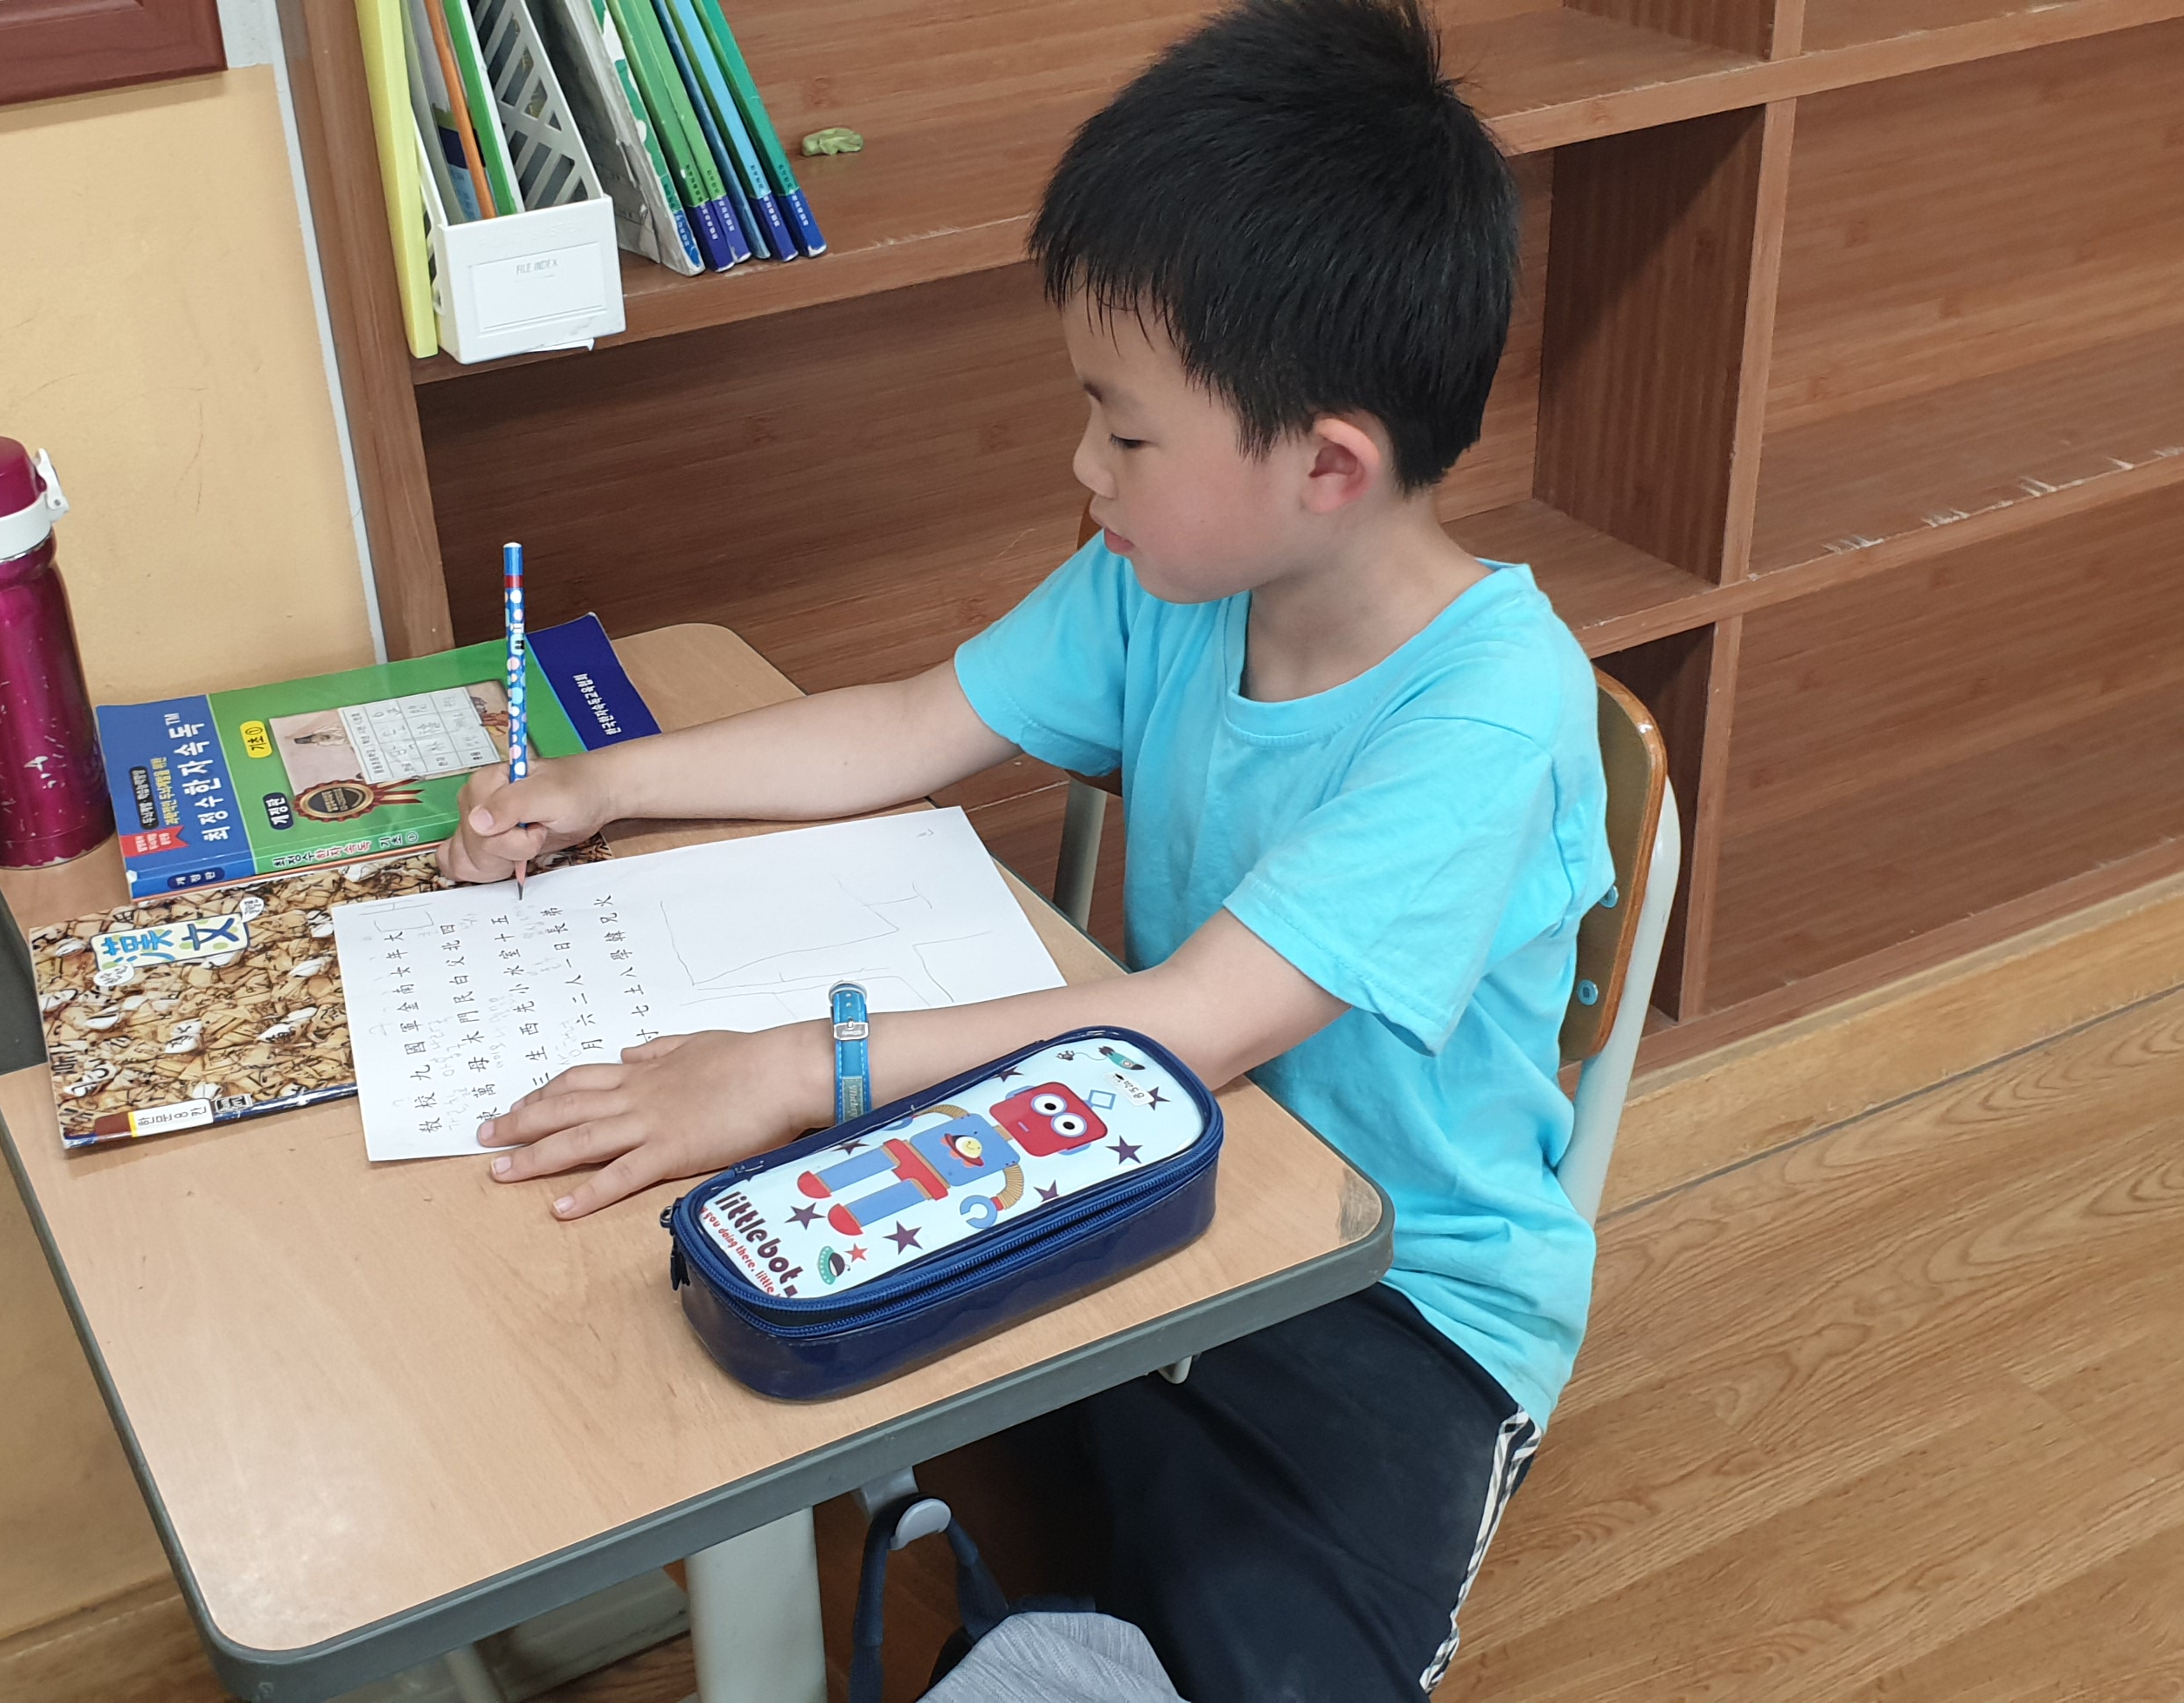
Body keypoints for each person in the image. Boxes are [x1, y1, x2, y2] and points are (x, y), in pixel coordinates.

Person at [440, 1, 1610, 1693]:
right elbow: (914, 721)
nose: (1084, 467)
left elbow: (1189, 1024)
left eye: (1123, 432)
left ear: (1327, 465)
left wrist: (793, 1066)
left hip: (1394, 1309)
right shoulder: (1180, 579)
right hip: (1146, 1187)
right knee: (797, 1393)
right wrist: (608, 782)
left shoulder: (1489, 714)